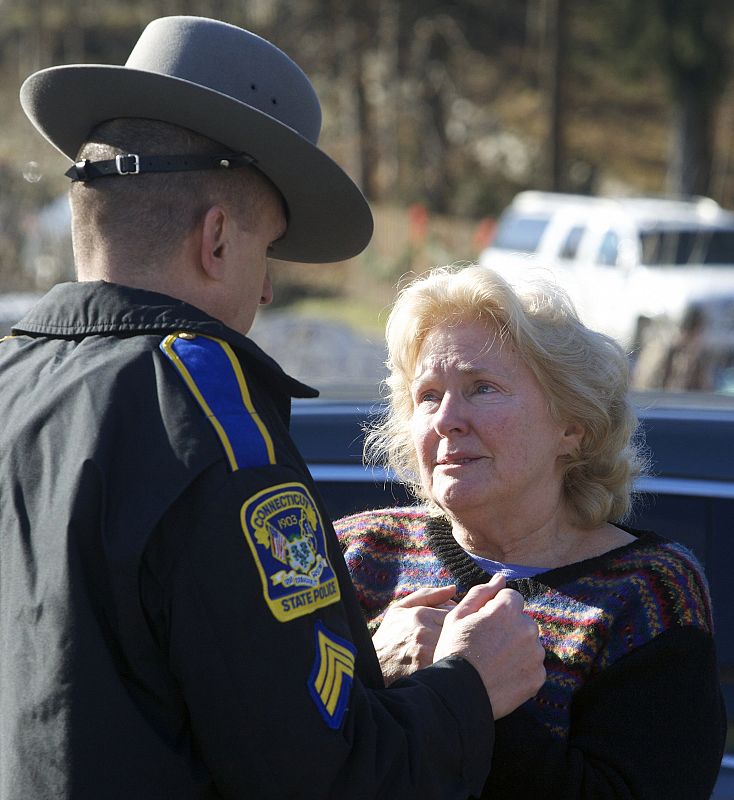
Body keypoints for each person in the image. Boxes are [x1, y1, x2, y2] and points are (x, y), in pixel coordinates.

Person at [0, 16, 547, 800]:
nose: (264, 291)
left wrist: (361, 669)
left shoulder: (12, 380)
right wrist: (470, 685)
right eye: (267, 256)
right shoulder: (204, 414)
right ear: (218, 239)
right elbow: (320, 777)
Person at [336, 264, 726, 799]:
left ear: (571, 426)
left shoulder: (648, 593)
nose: (448, 418)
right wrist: (369, 667)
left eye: (482, 388)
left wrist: (467, 687)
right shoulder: (356, 553)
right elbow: (264, 750)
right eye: (428, 395)